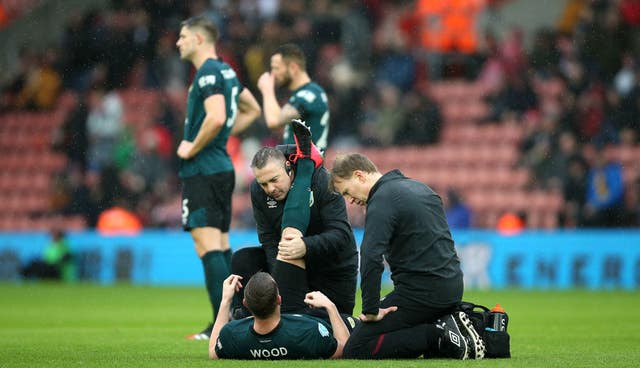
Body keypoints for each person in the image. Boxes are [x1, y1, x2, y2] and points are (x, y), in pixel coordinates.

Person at [329, 153, 485, 359]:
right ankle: (447, 324)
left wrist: (371, 308)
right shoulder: (419, 188)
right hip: (452, 286)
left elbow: (371, 257)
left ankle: (440, 335)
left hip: (420, 294)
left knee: (356, 348)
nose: (349, 200)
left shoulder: (382, 199)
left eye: (347, 192)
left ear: (359, 175)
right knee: (389, 332)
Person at [175, 15, 261, 340]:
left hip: (203, 169)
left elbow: (216, 116)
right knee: (221, 244)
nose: (178, 42)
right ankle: (235, 315)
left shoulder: (209, 72)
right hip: (220, 165)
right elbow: (251, 109)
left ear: (199, 39)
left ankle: (221, 324)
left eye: (183, 37)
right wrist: (223, 137)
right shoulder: (226, 71)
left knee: (207, 243)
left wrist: (191, 146)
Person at [231, 120, 358, 317]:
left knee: (323, 329)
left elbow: (341, 236)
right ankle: (245, 318)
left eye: (274, 180)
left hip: (331, 269)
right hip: (292, 265)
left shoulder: (323, 181)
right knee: (243, 259)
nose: (270, 189)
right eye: (263, 183)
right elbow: (269, 240)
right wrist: (280, 278)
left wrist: (306, 246)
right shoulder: (258, 190)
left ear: (289, 168)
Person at [209, 257, 350, 359]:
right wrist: (330, 306)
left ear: (245, 303)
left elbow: (213, 351)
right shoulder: (309, 330)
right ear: (279, 299)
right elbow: (343, 348)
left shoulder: (231, 334)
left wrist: (225, 301)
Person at [257, 43, 330, 153]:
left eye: (276, 68)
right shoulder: (308, 93)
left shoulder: (308, 95)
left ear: (293, 67)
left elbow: (274, 121)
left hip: (306, 168)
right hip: (305, 167)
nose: (273, 74)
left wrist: (267, 90)